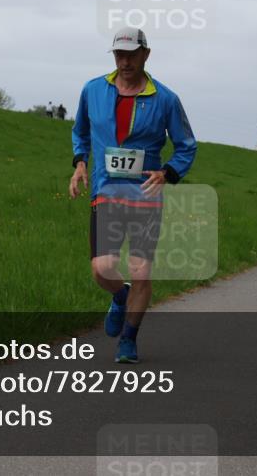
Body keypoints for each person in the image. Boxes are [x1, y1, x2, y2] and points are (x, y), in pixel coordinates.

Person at [69, 27, 197, 364]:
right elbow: (80, 131)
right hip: (106, 192)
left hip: (145, 196)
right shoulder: (93, 90)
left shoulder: (166, 99)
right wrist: (80, 162)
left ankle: (128, 339)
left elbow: (186, 145)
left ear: (145, 54)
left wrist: (168, 173)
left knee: (141, 271)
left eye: (131, 55)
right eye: (119, 55)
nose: (125, 62)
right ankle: (120, 296)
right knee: (102, 269)